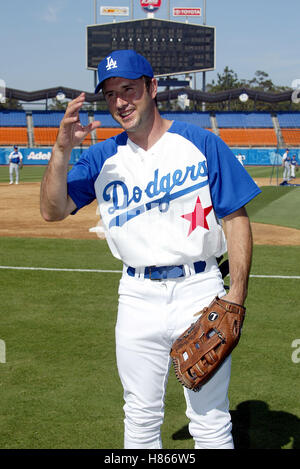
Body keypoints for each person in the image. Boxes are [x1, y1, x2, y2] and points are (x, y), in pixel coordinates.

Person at [40, 49, 261, 449]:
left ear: (152, 87)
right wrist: (61, 152)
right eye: (110, 94)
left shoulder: (201, 143)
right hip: (136, 296)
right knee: (140, 416)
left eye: (129, 89)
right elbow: (52, 210)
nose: (120, 102)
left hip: (200, 290)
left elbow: (236, 218)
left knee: (210, 420)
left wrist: (237, 296)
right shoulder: (101, 157)